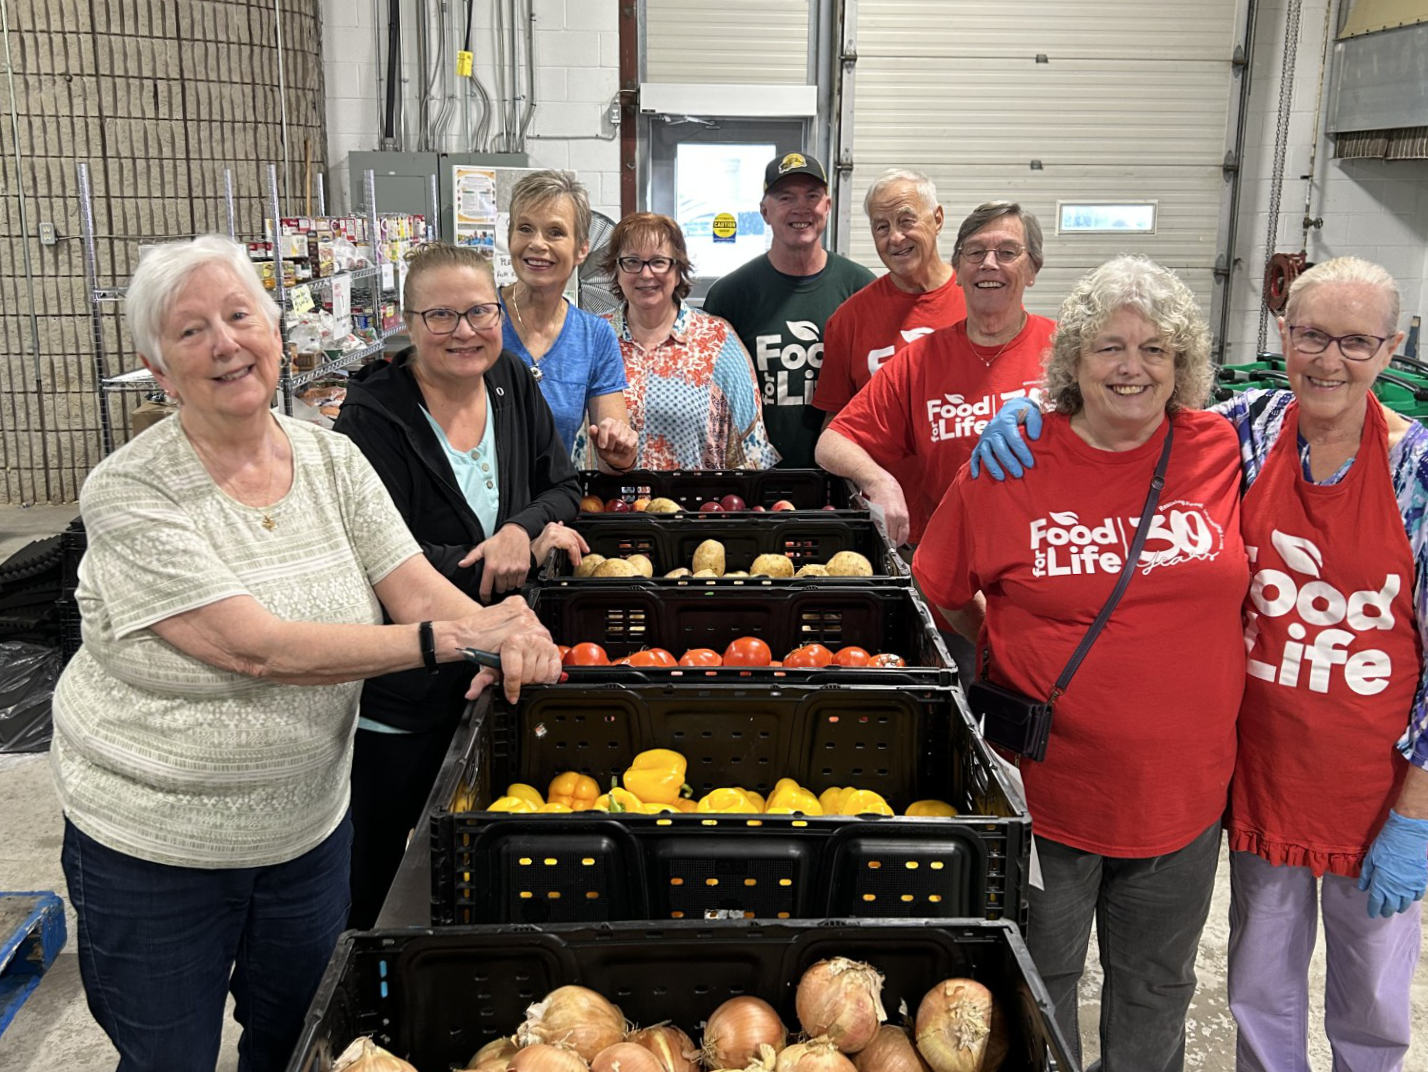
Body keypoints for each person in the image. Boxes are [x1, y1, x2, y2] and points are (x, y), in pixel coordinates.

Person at [50, 234, 560, 1072]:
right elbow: (256, 648)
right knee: (168, 1055)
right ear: (157, 366)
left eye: (241, 314)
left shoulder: (329, 456)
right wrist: (460, 636)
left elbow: (410, 583)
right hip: (156, 846)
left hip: (307, 829)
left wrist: (500, 627)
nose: (225, 343)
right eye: (191, 331)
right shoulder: (131, 490)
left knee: (298, 1041)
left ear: (275, 331)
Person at [972, 256, 1428, 1070]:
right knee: (1259, 988)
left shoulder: (1418, 472)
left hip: (1373, 788)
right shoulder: (1245, 430)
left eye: (1356, 343)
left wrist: (1417, 813)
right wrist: (1027, 407)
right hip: (1260, 778)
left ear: (1391, 349)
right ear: (1283, 335)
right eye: (1313, 335)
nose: (1330, 361)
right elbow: (1128, 397)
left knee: (1370, 1003)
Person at [913, 255, 1248, 1072]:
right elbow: (941, 588)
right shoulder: (1013, 462)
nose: (1133, 368)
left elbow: (1334, 402)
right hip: (1049, 795)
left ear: (1184, 365)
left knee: (1156, 987)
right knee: (1040, 979)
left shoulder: (1224, 446)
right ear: (1073, 361)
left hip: (1184, 799)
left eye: (1157, 350)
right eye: (1109, 348)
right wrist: (1005, 636)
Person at [332, 243, 603, 928]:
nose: (464, 331)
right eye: (441, 315)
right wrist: (509, 558)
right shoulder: (374, 415)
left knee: (466, 861)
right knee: (376, 871)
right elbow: (383, 557)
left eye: (480, 311)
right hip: (405, 686)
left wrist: (523, 528)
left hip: (498, 670)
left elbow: (563, 485)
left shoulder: (510, 379)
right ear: (408, 320)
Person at [815, 201, 1053, 549]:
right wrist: (881, 481)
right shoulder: (920, 360)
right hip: (948, 564)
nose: (989, 263)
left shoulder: (1066, 353)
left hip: (1048, 554)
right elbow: (832, 442)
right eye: (974, 252)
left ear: (1033, 269)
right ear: (957, 269)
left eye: (1007, 252)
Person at [813, 168, 966, 537]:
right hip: (890, 530)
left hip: (975, 527)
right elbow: (836, 427)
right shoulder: (849, 319)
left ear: (938, 219)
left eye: (906, 220)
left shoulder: (975, 301)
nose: (895, 237)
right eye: (881, 227)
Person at [702, 151, 875, 468]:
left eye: (812, 196)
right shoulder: (729, 296)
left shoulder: (861, 288)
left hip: (842, 476)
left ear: (828, 206)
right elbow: (711, 399)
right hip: (752, 482)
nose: (801, 208)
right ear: (765, 211)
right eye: (786, 197)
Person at [599, 212, 778, 470]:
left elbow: (751, 450)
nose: (646, 274)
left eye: (659, 262)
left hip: (696, 508)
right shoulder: (595, 338)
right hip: (607, 507)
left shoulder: (716, 340)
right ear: (616, 269)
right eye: (632, 261)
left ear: (678, 268)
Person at [499, 169, 636, 471]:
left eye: (555, 232)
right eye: (525, 228)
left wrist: (621, 451)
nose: (537, 243)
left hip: (549, 509)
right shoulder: (480, 318)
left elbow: (614, 461)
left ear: (582, 249)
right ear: (510, 236)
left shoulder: (594, 336)